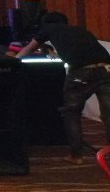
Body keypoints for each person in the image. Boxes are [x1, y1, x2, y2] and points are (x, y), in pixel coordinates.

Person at [11, 12, 110, 164]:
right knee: (108, 114)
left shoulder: (47, 29)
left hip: (81, 72)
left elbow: (29, 48)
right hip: (106, 69)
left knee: (71, 112)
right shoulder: (80, 29)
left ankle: (76, 156)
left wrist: (13, 62)